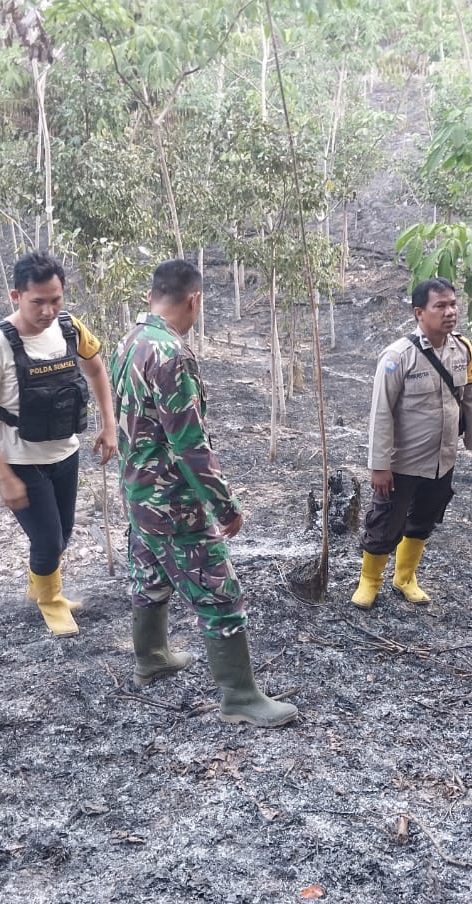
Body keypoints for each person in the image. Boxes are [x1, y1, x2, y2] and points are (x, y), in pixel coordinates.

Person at [109, 258, 297, 728]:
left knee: (150, 574)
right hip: (173, 501)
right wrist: (224, 504)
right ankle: (239, 695)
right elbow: (189, 443)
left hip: (139, 493)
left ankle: (151, 657)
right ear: (194, 299)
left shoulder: (130, 340)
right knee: (219, 592)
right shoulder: (171, 354)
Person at [0, 252, 117, 636]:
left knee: (61, 534)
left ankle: (38, 590)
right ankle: (51, 600)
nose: (48, 310)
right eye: (38, 302)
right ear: (16, 295)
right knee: (48, 540)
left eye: (56, 299)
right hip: (18, 459)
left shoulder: (69, 327)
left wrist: (109, 424)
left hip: (64, 451)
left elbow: (96, 367)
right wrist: (3, 476)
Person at [351, 277, 472, 608]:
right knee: (385, 522)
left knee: (425, 518)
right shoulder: (397, 357)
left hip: (443, 458)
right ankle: (370, 581)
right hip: (403, 462)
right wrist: (380, 466)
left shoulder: (464, 350)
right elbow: (381, 414)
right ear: (419, 313)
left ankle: (405, 577)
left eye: (453, 304)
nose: (450, 312)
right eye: (439, 306)